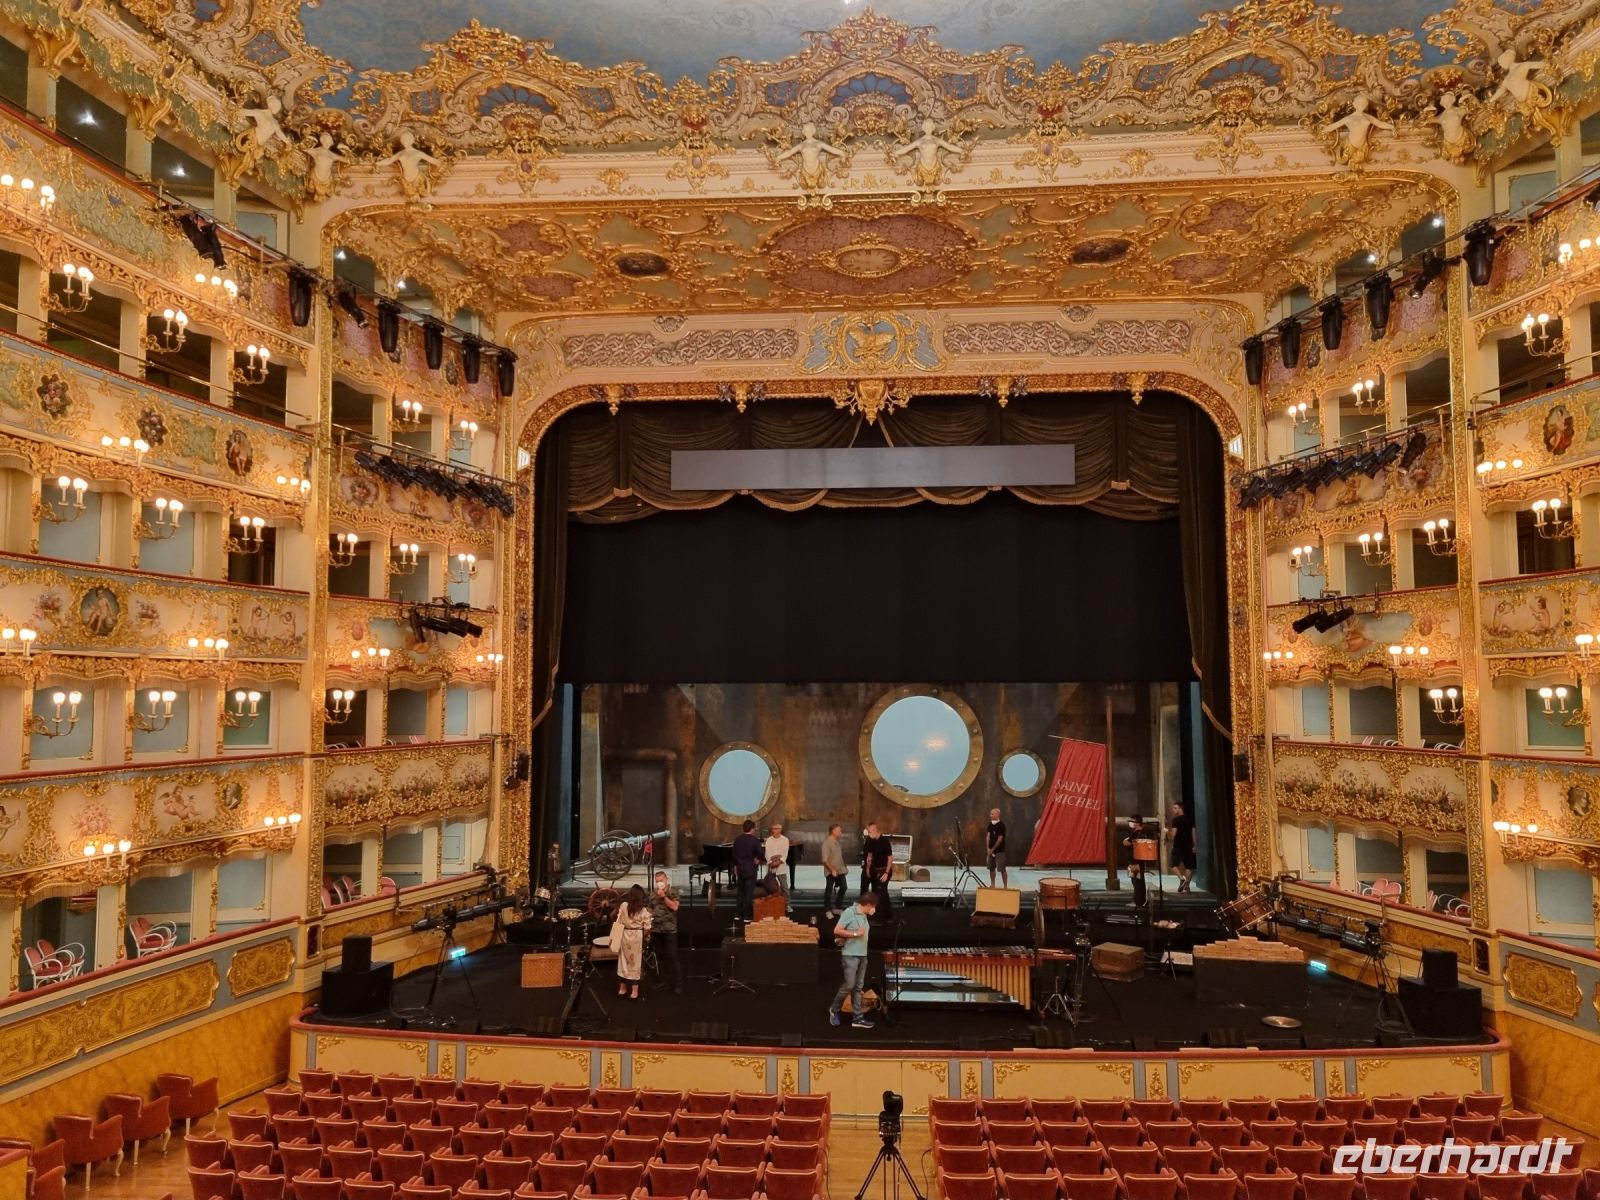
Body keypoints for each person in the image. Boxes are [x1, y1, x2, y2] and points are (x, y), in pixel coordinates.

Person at [828, 891, 877, 1029]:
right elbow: (837, 930)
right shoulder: (850, 912)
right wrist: (855, 934)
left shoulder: (864, 915)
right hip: (850, 955)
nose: (874, 910)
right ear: (867, 904)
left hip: (863, 955)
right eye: (873, 906)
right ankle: (834, 1009)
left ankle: (858, 1018)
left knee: (858, 987)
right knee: (850, 985)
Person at [612, 884, 652, 1001]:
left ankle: (622, 988)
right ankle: (634, 992)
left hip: (624, 935)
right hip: (637, 937)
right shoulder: (643, 910)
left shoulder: (624, 906)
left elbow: (618, 920)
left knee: (623, 961)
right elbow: (648, 927)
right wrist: (644, 935)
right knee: (635, 963)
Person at [649, 870, 683, 994]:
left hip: (669, 930)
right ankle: (664, 981)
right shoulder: (653, 893)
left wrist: (664, 896)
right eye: (657, 881)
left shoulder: (673, 891)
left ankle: (678, 984)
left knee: (672, 957)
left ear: (666, 880)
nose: (659, 883)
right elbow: (649, 908)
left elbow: (675, 907)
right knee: (660, 957)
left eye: (661, 881)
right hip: (656, 930)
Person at [860, 821, 893, 920]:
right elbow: (869, 856)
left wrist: (886, 873)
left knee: (880, 894)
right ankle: (887, 916)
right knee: (878, 893)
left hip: (883, 870)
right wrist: (867, 869)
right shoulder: (870, 841)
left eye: (870, 832)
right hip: (874, 870)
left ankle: (881, 917)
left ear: (875, 831)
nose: (868, 834)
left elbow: (890, 858)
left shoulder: (885, 842)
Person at [732, 819, 763, 921]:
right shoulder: (754, 840)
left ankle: (737, 914)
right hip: (750, 869)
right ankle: (747, 916)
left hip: (740, 869)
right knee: (749, 893)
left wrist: (735, 866)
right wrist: (757, 859)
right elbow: (761, 853)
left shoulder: (737, 839)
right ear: (752, 829)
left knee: (740, 892)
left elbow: (734, 855)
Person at [1122, 815, 1154, 907]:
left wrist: (1125, 841)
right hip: (1138, 860)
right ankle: (1140, 900)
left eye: (1132, 821)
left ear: (1137, 822)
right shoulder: (1141, 832)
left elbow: (1128, 843)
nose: (1130, 823)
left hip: (1135, 861)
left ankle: (1138, 901)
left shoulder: (1137, 833)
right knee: (1137, 880)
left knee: (1136, 881)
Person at [1165, 802, 1196, 893]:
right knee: (1188, 867)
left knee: (1173, 865)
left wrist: (1167, 831)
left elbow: (1173, 835)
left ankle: (1182, 879)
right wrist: (1195, 846)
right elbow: (1193, 833)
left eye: (1175, 808)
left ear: (1180, 809)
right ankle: (1187, 886)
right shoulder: (1190, 820)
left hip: (1178, 846)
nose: (1173, 810)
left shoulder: (1176, 820)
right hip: (1189, 845)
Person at [821, 823, 849, 917]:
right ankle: (827, 910)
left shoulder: (838, 842)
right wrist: (832, 870)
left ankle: (837, 907)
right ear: (833, 831)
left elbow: (839, 857)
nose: (840, 832)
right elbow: (825, 860)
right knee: (829, 889)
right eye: (838, 830)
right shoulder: (827, 843)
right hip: (830, 871)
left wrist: (844, 867)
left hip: (840, 870)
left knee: (844, 887)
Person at [764, 822, 792, 895]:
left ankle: (787, 904)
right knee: (769, 887)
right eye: (773, 829)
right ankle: (770, 904)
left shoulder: (785, 840)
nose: (774, 830)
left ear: (780, 830)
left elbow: (785, 854)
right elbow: (767, 853)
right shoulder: (769, 840)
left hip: (781, 867)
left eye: (776, 829)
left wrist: (779, 862)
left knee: (784, 887)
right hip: (771, 867)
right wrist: (771, 863)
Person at [985, 807, 1009, 888]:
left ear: (997, 814)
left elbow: (1000, 839)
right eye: (990, 814)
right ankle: (992, 884)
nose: (990, 815)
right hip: (990, 851)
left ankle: (1005, 886)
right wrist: (988, 848)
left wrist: (992, 849)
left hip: (999, 851)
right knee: (991, 868)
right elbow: (988, 836)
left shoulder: (1001, 825)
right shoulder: (990, 824)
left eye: (992, 814)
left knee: (1002, 869)